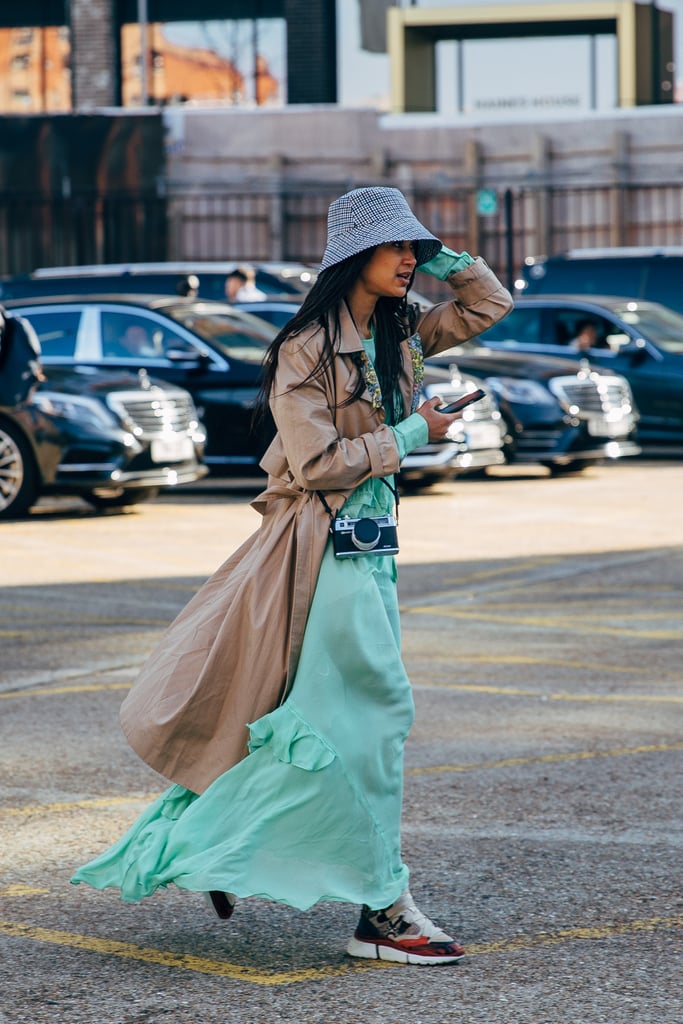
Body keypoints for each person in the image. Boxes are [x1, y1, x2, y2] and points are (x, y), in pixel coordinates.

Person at [71, 186, 513, 966]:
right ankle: (382, 913)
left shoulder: (397, 327)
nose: (410, 260)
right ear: (354, 257)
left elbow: (488, 302)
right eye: (396, 247)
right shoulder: (305, 348)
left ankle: (223, 846)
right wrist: (416, 429)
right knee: (377, 716)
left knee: (340, 720)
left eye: (415, 247)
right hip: (323, 544)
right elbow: (313, 465)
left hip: (369, 546)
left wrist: (440, 255)